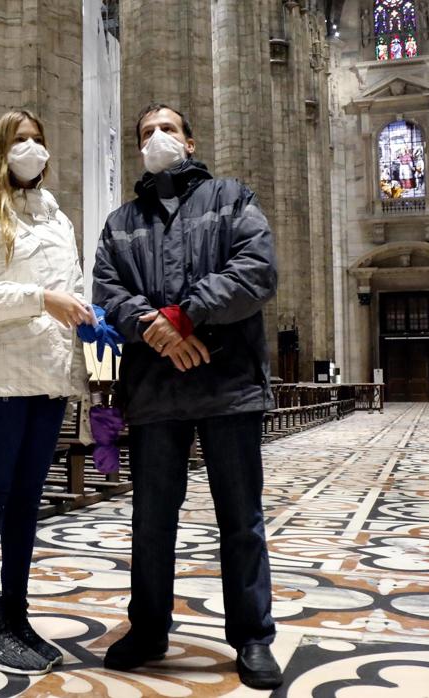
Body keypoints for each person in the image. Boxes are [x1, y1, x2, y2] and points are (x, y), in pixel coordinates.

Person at [92, 103, 283, 690]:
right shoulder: (121, 222)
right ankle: (149, 628)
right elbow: (106, 291)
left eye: (168, 129)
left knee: (240, 519)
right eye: (147, 132)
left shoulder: (231, 198)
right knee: (151, 519)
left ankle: (252, 636)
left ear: (191, 142)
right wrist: (158, 328)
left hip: (227, 385)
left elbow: (255, 270)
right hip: (155, 391)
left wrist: (185, 315)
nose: (157, 138)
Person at [0, 109, 93, 675]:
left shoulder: (58, 219)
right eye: (18, 140)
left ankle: (16, 616)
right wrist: (40, 299)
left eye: (37, 139)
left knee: (28, 502)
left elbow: (70, 290)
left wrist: (87, 317)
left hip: (49, 378)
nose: (30, 148)